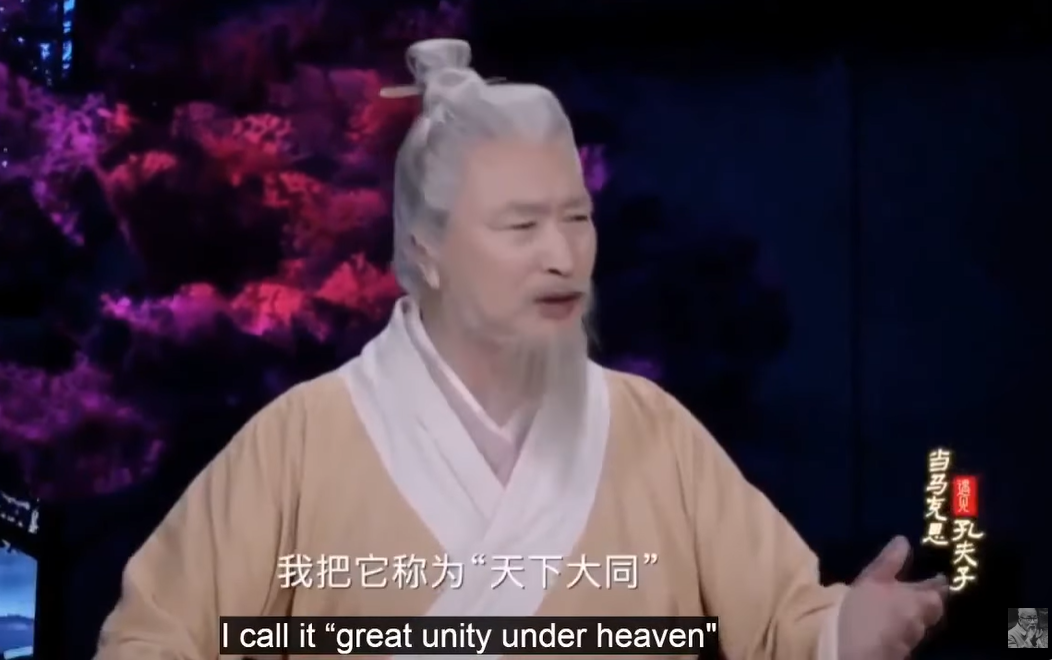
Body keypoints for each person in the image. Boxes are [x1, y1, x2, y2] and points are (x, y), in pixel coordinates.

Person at [94, 38, 947, 660]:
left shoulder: (650, 430)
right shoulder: (303, 442)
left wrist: (846, 631)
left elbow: (784, 622)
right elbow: (152, 637)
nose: (563, 254)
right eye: (521, 226)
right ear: (427, 248)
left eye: (577, 217)